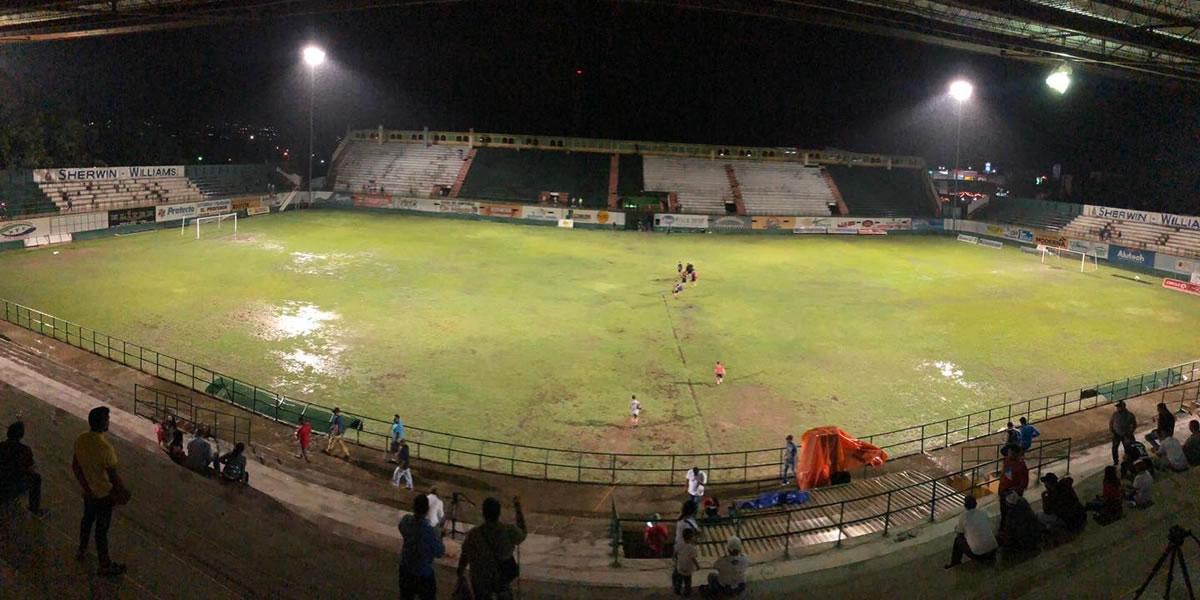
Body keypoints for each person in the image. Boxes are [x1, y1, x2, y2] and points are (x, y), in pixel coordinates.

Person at [72, 406, 128, 577]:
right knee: (101, 530)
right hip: (104, 495)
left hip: (89, 494)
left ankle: (82, 550)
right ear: (103, 423)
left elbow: (75, 466)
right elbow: (113, 477)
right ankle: (105, 565)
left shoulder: (81, 439)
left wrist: (87, 488)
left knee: (87, 521)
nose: (109, 421)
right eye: (107, 419)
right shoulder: (105, 448)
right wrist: (123, 493)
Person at [457, 496, 527, 600]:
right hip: (501, 581)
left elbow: (465, 555)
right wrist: (518, 508)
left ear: (483, 513)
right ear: (499, 513)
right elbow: (523, 533)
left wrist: (460, 573)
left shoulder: (473, 534)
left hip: (480, 582)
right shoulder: (508, 531)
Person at [398, 494, 446, 600]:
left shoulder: (406, 520)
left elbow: (401, 528)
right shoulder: (430, 532)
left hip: (405, 568)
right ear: (427, 510)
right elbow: (440, 552)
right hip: (423, 573)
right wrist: (441, 537)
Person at [0, 421, 47, 518]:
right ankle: (34, 509)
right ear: (21, 436)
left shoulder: (1, 446)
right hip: (11, 487)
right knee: (36, 478)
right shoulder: (25, 450)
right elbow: (30, 468)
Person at [944, 496, 997, 568]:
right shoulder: (983, 513)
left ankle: (955, 562)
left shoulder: (964, 517)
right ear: (976, 504)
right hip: (993, 550)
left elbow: (959, 532)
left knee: (958, 540)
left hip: (979, 554)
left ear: (965, 506)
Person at [997, 446, 1028, 529]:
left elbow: (1023, 484)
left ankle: (1010, 529)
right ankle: (1003, 526)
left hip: (1011, 494)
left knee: (1011, 513)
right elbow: (1006, 477)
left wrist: (1013, 491)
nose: (1008, 454)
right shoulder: (1007, 461)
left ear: (1015, 454)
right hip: (1003, 491)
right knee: (1004, 511)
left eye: (1010, 452)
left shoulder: (1021, 466)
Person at [672, 527, 700, 597]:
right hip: (688, 569)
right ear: (691, 537)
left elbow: (674, 555)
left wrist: (676, 562)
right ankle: (687, 593)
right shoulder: (692, 548)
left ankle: (677, 590)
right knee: (687, 582)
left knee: (679, 580)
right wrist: (697, 566)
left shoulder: (678, 545)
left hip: (680, 567)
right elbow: (693, 559)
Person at [1109, 401, 1138, 465]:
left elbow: (1134, 425)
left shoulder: (1130, 415)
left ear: (1123, 407)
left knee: (1127, 448)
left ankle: (1128, 461)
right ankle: (1116, 461)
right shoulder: (1115, 414)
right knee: (1114, 448)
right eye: (1117, 407)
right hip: (1116, 434)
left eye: (1119, 407)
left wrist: (1130, 433)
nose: (1117, 408)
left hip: (1126, 435)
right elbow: (1111, 423)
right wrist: (1112, 432)